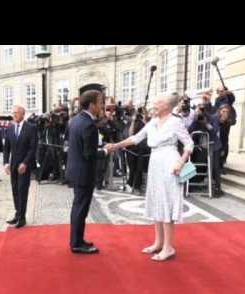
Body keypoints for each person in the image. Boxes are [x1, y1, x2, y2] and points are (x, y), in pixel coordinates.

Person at [107, 93, 194, 262]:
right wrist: (116, 146)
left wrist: (182, 162)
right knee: (156, 200)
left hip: (170, 162)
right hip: (155, 162)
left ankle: (168, 247)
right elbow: (136, 138)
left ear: (167, 106)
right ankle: (158, 242)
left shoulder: (176, 122)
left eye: (157, 103)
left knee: (167, 202)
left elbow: (189, 143)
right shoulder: (152, 122)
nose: (154, 105)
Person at [66, 90, 109, 254]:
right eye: (100, 102)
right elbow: (89, 154)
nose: (102, 106)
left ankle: (76, 240)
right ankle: (76, 243)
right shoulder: (89, 124)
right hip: (84, 173)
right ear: (91, 105)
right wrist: (104, 151)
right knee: (80, 209)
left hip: (76, 171)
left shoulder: (76, 120)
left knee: (78, 208)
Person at [3, 105, 38, 229]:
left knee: (22, 190)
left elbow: (33, 148)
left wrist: (25, 163)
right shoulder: (10, 128)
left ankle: (22, 218)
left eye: (16, 113)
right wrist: (6, 163)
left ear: (23, 114)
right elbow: (6, 147)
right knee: (15, 190)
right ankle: (17, 214)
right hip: (13, 165)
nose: (14, 115)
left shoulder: (31, 128)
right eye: (13, 113)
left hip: (25, 165)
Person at [188, 105, 223, 197]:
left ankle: (217, 189)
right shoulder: (196, 120)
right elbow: (190, 131)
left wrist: (206, 123)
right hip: (202, 147)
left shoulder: (212, 118)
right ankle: (191, 184)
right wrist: (196, 120)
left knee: (215, 168)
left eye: (201, 111)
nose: (200, 113)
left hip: (214, 146)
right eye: (198, 111)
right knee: (197, 165)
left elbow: (215, 130)